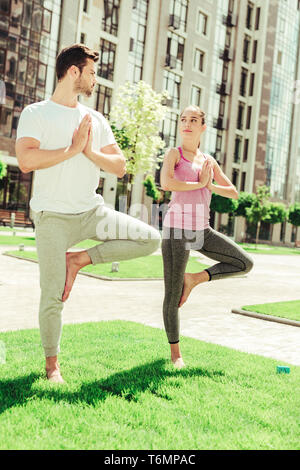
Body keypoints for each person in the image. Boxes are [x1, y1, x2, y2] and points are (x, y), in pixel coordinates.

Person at [15, 44, 161, 383]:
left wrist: (90, 151)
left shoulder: (95, 119)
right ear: (74, 72)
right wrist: (71, 149)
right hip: (52, 217)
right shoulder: (36, 114)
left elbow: (120, 166)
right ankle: (52, 366)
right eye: (91, 72)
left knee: (150, 239)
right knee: (52, 295)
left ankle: (79, 260)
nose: (95, 79)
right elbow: (27, 161)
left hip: (92, 212)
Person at [160, 105, 254, 369]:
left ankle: (194, 279)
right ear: (179, 125)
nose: (187, 124)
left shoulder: (209, 161)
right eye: (183, 120)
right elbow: (167, 183)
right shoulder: (174, 154)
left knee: (244, 263)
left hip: (202, 231)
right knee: (171, 295)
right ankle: (176, 354)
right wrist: (199, 184)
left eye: (193, 120)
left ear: (203, 127)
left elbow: (233, 192)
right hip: (176, 230)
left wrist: (210, 184)